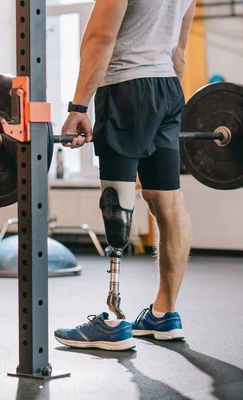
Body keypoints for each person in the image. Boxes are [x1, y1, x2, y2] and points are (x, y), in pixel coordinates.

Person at [54, 0, 196, 351]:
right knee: (168, 202)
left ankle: (114, 319)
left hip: (125, 87)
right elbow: (179, 51)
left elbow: (101, 38)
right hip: (167, 89)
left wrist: (78, 108)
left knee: (117, 198)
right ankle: (164, 314)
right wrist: (165, 108)